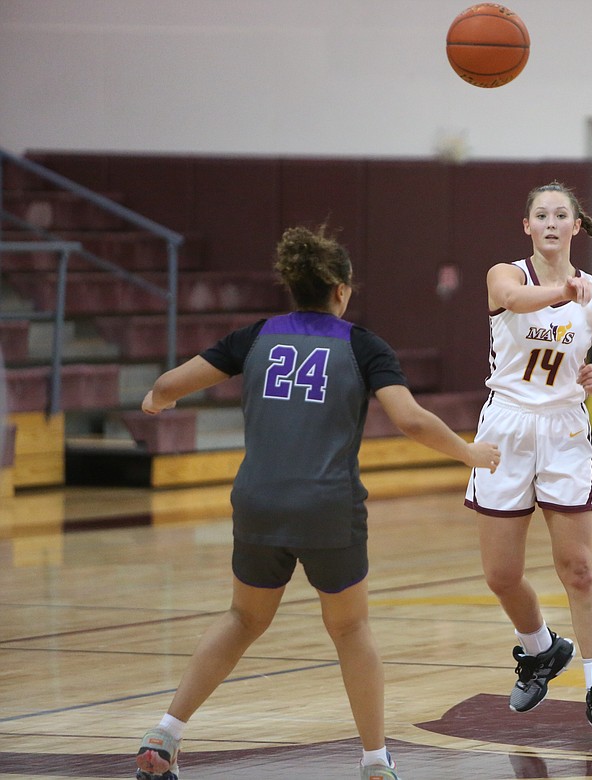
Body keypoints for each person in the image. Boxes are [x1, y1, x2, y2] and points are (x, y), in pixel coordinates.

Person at [133, 225, 500, 780]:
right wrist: (468, 453)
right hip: (328, 508)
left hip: (258, 503)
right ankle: (376, 763)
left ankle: (165, 734)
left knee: (241, 618)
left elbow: (168, 384)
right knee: (351, 630)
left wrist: (156, 399)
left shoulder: (253, 337)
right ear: (341, 289)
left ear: (292, 286)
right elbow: (409, 419)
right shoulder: (363, 345)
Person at [463, 181, 592, 744]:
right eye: (543, 214)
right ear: (528, 226)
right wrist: (564, 291)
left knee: (578, 569)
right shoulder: (504, 275)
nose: (553, 222)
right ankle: (541, 649)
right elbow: (515, 303)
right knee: (501, 575)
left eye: (562, 214)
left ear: (577, 226)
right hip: (507, 427)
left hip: (562, 429)